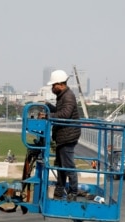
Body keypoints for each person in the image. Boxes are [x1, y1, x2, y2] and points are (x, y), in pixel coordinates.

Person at [44, 69, 81, 201]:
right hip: (63, 136)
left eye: (53, 85)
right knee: (61, 165)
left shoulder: (68, 96)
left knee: (68, 165)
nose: (52, 88)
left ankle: (73, 192)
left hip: (68, 136)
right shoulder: (63, 96)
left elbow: (65, 114)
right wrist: (49, 107)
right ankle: (60, 189)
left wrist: (48, 115)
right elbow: (61, 111)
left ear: (60, 84)